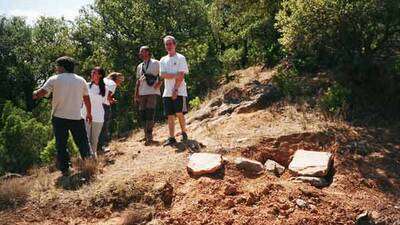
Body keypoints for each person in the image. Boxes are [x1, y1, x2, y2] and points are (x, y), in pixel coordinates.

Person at [32, 56, 92, 176]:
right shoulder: (81, 80)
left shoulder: (55, 79)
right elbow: (86, 99)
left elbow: (41, 94)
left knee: (61, 144)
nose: (56, 68)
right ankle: (89, 164)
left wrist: (34, 94)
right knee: (82, 142)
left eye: (57, 66)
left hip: (59, 118)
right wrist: (89, 113)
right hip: (76, 116)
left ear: (62, 67)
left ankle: (66, 169)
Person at [159, 35, 190, 146]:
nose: (168, 46)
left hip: (179, 90)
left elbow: (181, 75)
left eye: (170, 43)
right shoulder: (163, 59)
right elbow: (162, 75)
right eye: (166, 44)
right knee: (170, 115)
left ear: (175, 44)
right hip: (167, 92)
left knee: (179, 113)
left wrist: (175, 89)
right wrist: (174, 75)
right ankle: (172, 138)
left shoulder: (181, 58)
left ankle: (184, 132)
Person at [134, 46, 162, 145]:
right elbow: (138, 81)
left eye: (143, 52)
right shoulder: (139, 66)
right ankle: (146, 135)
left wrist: (159, 84)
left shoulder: (156, 63)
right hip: (142, 92)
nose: (141, 53)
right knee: (143, 114)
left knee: (150, 113)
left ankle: (149, 137)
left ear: (148, 52)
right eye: (140, 52)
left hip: (152, 92)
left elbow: (162, 74)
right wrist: (136, 93)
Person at [82, 67, 108, 157]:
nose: (92, 74)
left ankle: (93, 159)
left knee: (94, 140)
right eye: (92, 72)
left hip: (98, 117)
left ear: (100, 75)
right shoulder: (86, 85)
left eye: (95, 73)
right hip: (85, 115)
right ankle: (86, 159)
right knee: (85, 139)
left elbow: (104, 101)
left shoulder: (105, 89)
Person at [98, 72, 124, 152]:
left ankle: (95, 146)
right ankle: (102, 146)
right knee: (103, 126)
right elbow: (107, 96)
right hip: (104, 105)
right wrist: (112, 100)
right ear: (116, 78)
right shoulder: (112, 84)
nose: (121, 81)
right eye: (121, 79)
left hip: (95, 104)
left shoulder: (104, 80)